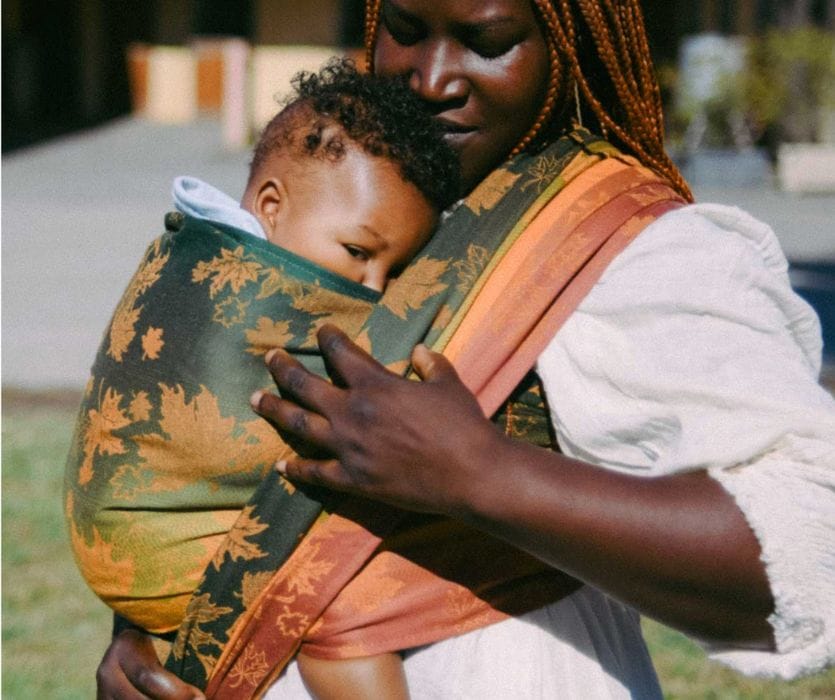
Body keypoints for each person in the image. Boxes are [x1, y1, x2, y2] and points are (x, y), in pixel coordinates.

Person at [96, 1, 835, 698]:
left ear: (568, 43)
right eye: (408, 28)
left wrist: (478, 474)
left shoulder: (632, 250)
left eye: (486, 41)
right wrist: (152, 625)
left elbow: (809, 554)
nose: (432, 78)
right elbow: (215, 455)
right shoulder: (351, 195)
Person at [67, 59, 459, 700]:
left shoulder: (231, 229)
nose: (373, 288)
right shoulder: (228, 274)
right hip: (168, 545)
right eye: (359, 253)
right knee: (339, 613)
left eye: (396, 268)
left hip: (128, 546)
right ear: (269, 206)